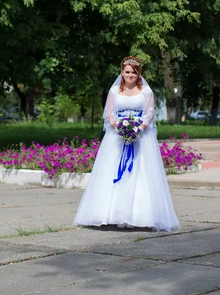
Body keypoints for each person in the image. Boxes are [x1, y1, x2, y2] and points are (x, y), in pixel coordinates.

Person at [74, 56, 180, 231]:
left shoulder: (146, 92)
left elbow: (149, 113)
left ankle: (138, 216)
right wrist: (119, 128)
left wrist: (138, 129)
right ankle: (111, 214)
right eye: (127, 72)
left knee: (140, 174)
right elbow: (109, 113)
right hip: (117, 137)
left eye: (134, 72)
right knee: (113, 172)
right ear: (122, 73)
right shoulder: (114, 91)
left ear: (139, 74)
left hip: (141, 138)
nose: (130, 75)